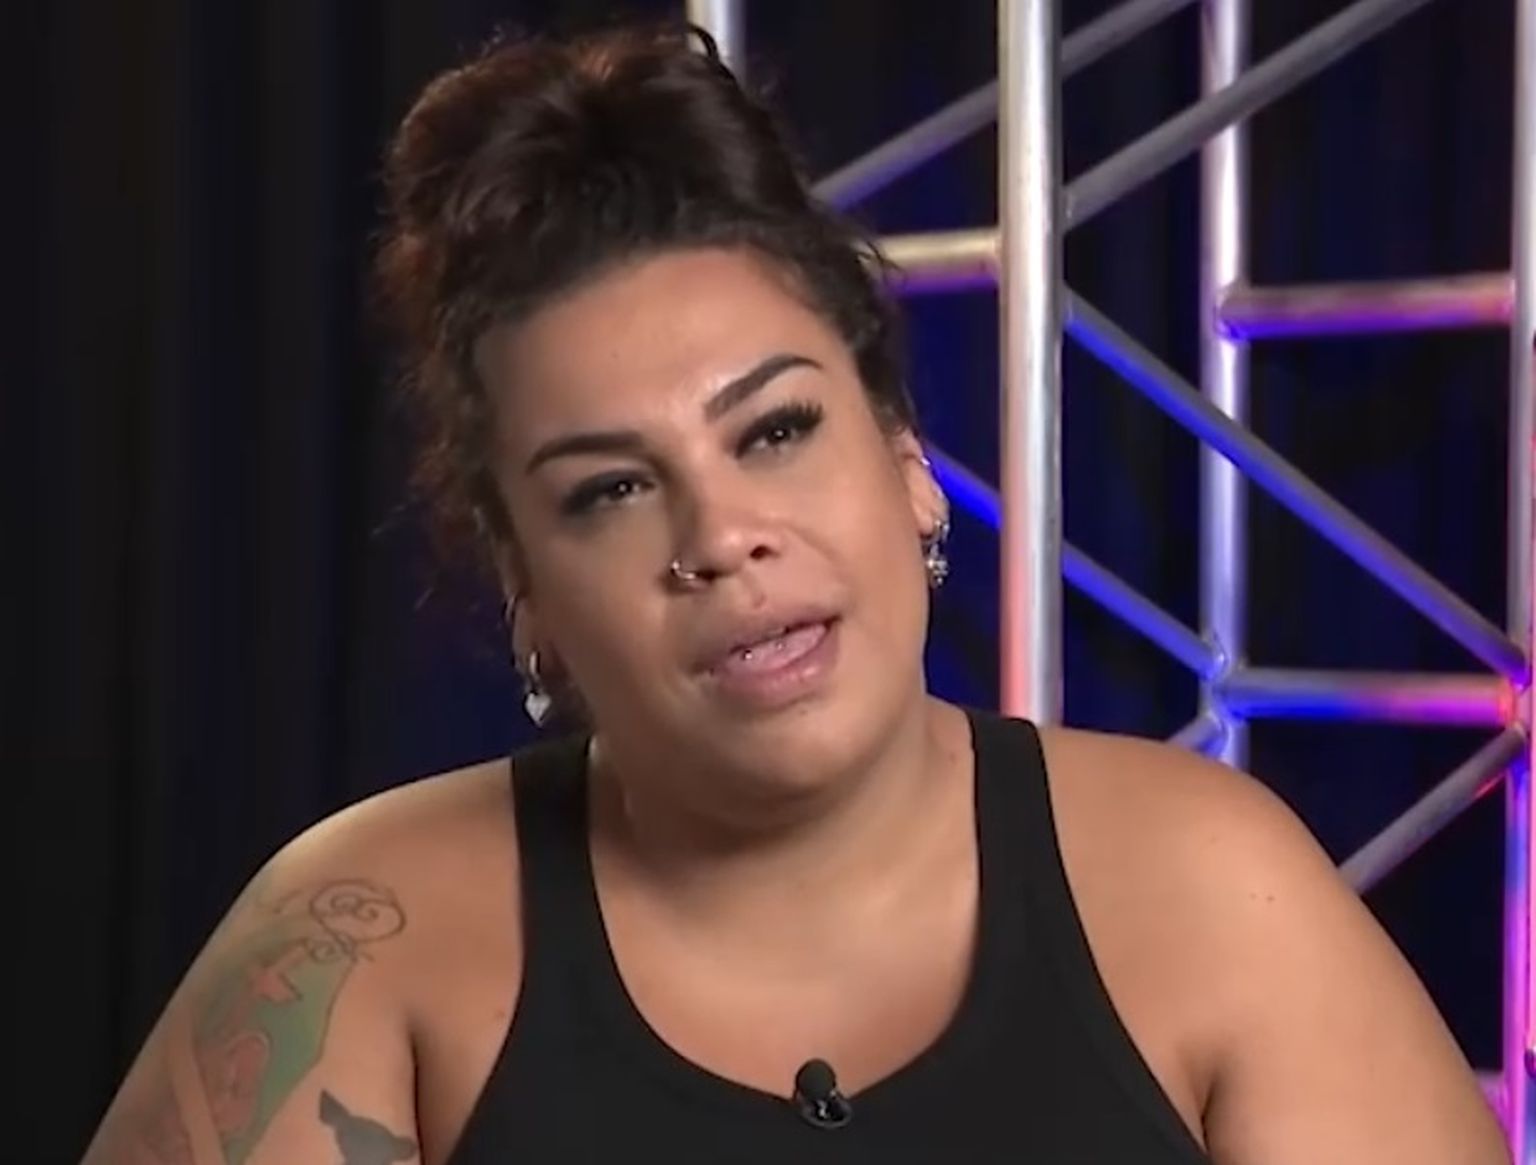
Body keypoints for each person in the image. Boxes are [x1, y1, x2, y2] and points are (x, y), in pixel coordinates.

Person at [81, 21, 1510, 1165]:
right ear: (528, 594)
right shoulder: (355, 940)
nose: (721, 537)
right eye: (610, 489)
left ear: (909, 465)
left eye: (774, 430)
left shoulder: (1215, 888)